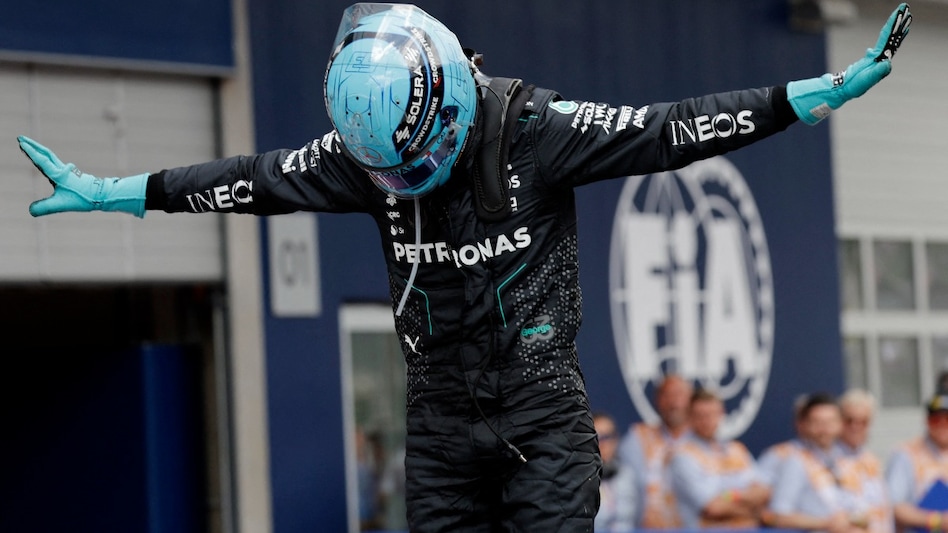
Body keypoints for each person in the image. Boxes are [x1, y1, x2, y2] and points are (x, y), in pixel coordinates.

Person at [15, 2, 912, 531]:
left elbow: (665, 129)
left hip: (543, 411)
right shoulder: (357, 155)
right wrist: (115, 191)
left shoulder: (536, 126)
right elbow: (246, 182)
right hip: (439, 417)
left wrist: (805, 99)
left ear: (448, 93)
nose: (402, 181)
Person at [764, 392, 868, 533]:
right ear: (805, 425)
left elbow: (858, 510)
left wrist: (855, 520)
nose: (824, 429)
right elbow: (777, 516)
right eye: (818, 422)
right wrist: (825, 523)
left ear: (840, 424)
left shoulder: (845, 460)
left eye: (830, 422)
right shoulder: (796, 462)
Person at [670, 388, 771, 529]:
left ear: (722, 414)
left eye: (712, 414)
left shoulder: (737, 449)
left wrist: (727, 495)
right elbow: (712, 508)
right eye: (701, 416)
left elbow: (764, 492)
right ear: (690, 417)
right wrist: (752, 511)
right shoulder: (683, 455)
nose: (707, 421)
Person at [618, 374, 693, 528]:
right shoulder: (637, 438)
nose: (673, 403)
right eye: (667, 395)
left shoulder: (705, 442)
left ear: (691, 401)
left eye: (679, 395)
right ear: (657, 401)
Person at [885, 393, 948, 532]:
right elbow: (894, 506)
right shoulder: (905, 454)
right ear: (927, 421)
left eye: (947, 420)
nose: (943, 425)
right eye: (936, 420)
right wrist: (938, 520)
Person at [837, 389, 893, 533]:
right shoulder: (826, 461)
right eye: (849, 420)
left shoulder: (872, 460)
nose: (856, 427)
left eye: (863, 422)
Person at [592, 411, 636, 532]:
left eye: (606, 437)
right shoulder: (578, 480)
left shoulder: (628, 475)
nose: (602, 444)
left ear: (616, 439)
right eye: (596, 438)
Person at [757, 393, 812, 488]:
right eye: (812, 420)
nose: (823, 428)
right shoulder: (778, 454)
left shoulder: (839, 455)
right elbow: (758, 489)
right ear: (798, 423)